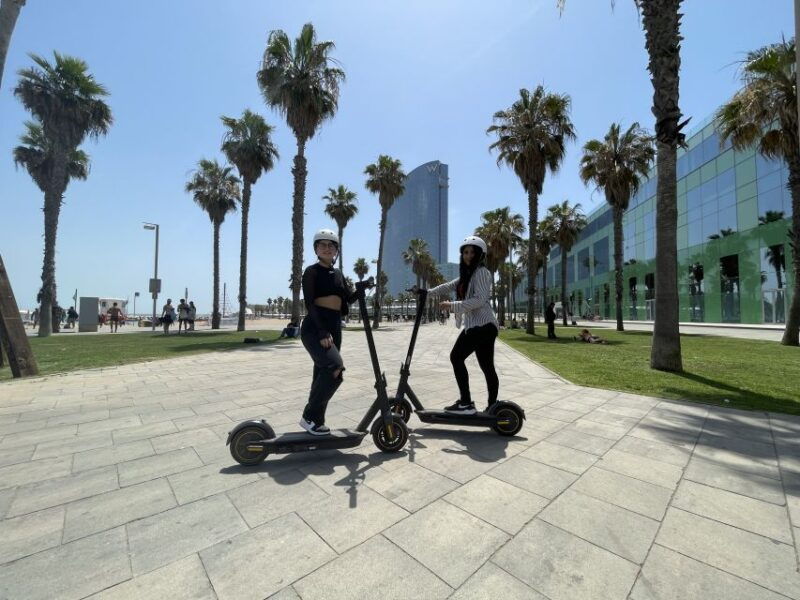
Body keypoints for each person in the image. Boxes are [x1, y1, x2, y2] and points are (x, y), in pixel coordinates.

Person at [298, 229, 363, 435]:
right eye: (322, 245)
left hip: (334, 324)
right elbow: (310, 303)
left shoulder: (338, 274)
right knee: (335, 367)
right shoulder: (311, 271)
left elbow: (347, 299)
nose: (327, 248)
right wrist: (321, 331)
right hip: (316, 326)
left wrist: (362, 289)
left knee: (322, 373)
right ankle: (309, 416)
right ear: (316, 249)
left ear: (336, 250)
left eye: (331, 245)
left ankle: (316, 421)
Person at [427, 235, 499, 415]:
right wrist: (426, 293)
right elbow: (446, 287)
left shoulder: (482, 272)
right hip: (477, 326)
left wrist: (452, 305)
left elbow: (480, 300)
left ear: (480, 255)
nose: (468, 256)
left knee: (456, 357)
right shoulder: (466, 277)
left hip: (483, 325)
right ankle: (492, 407)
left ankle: (466, 403)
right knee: (486, 366)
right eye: (465, 252)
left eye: (472, 253)